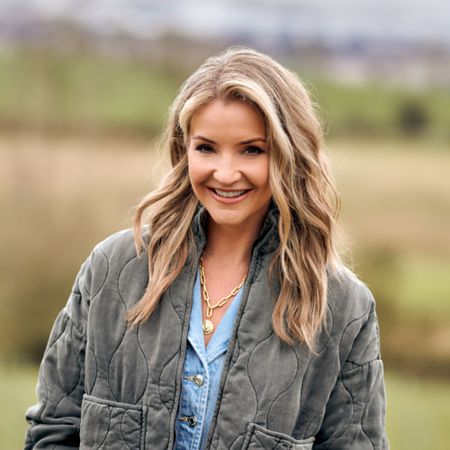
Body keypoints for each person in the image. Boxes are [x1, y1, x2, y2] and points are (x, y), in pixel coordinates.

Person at [25, 47, 388, 449]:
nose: (226, 173)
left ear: (289, 156)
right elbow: (52, 432)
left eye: (252, 149)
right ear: (184, 151)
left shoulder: (342, 307)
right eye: (207, 148)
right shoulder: (111, 269)